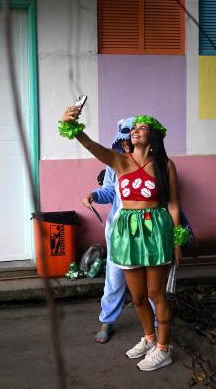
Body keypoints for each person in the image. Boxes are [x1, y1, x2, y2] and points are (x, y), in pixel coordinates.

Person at [60, 104, 189, 371]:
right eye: (134, 128)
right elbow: (91, 146)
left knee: (156, 293)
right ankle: (150, 339)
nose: (136, 131)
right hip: (125, 233)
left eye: (143, 127)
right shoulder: (119, 161)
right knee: (138, 296)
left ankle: (164, 348)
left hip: (155, 230)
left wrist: (177, 240)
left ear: (154, 136)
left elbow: (174, 205)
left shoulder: (165, 165)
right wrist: (71, 125)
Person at [82, 117, 135, 344]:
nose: (126, 145)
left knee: (150, 282)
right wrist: (93, 195)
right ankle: (107, 321)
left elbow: (168, 200)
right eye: (122, 141)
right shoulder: (115, 164)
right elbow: (109, 192)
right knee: (114, 277)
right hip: (119, 232)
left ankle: (154, 327)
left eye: (129, 140)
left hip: (148, 231)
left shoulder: (158, 164)